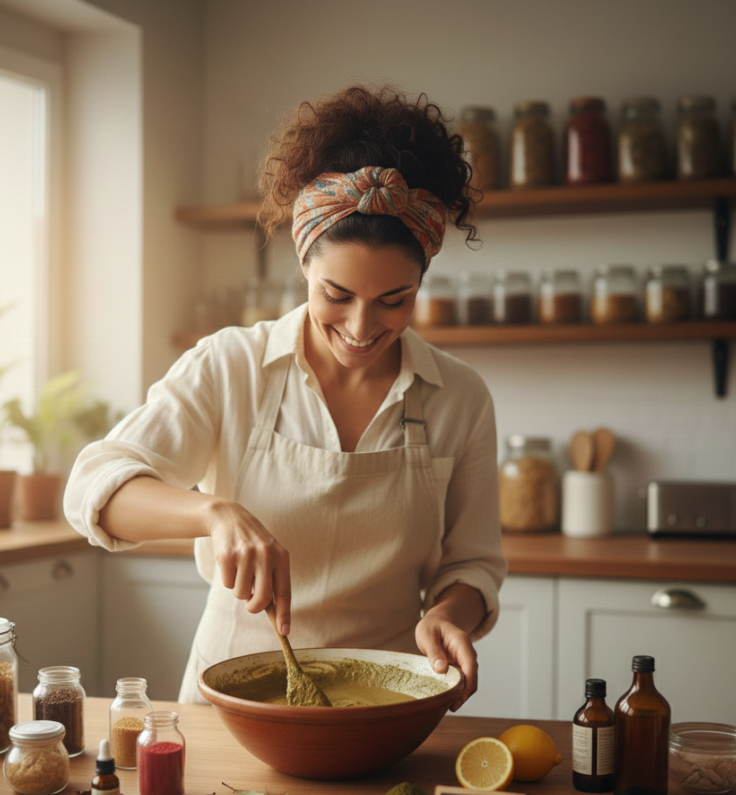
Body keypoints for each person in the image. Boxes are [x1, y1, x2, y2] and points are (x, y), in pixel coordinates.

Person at [64, 84, 507, 708]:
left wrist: (448, 615)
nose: (360, 329)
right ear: (303, 267)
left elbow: (474, 566)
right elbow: (92, 489)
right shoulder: (232, 366)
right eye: (336, 294)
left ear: (421, 282)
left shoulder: (459, 397)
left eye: (393, 301)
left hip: (385, 705)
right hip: (230, 702)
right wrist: (213, 514)